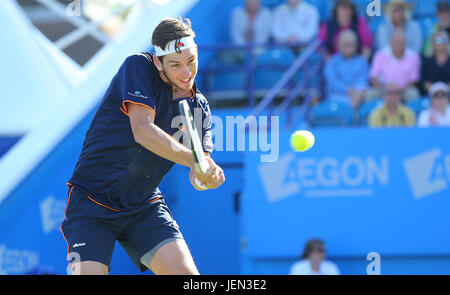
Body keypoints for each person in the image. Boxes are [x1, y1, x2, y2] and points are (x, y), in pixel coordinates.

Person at [60, 17, 225, 275]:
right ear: (158, 62)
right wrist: (194, 160)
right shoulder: (138, 65)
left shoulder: (199, 107)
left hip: (143, 207)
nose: (186, 73)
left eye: (191, 61)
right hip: (91, 203)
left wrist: (206, 176)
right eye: (176, 65)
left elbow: (197, 171)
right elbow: (143, 131)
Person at [368, 29, 421, 102]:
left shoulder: (413, 56)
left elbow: (414, 80)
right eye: (395, 42)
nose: (398, 45)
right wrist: (386, 89)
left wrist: (398, 91)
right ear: (390, 42)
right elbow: (373, 77)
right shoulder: (380, 55)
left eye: (401, 43)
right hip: (383, 88)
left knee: (413, 93)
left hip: (404, 90)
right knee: (371, 94)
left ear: (405, 44)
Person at [324, 30, 369, 109]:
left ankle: (352, 111)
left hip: (358, 94)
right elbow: (332, 82)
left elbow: (363, 80)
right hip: (338, 95)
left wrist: (355, 90)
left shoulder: (362, 62)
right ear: (339, 45)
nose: (351, 48)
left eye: (353, 45)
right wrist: (347, 89)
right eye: (347, 45)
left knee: (364, 93)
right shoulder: (332, 62)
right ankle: (353, 112)